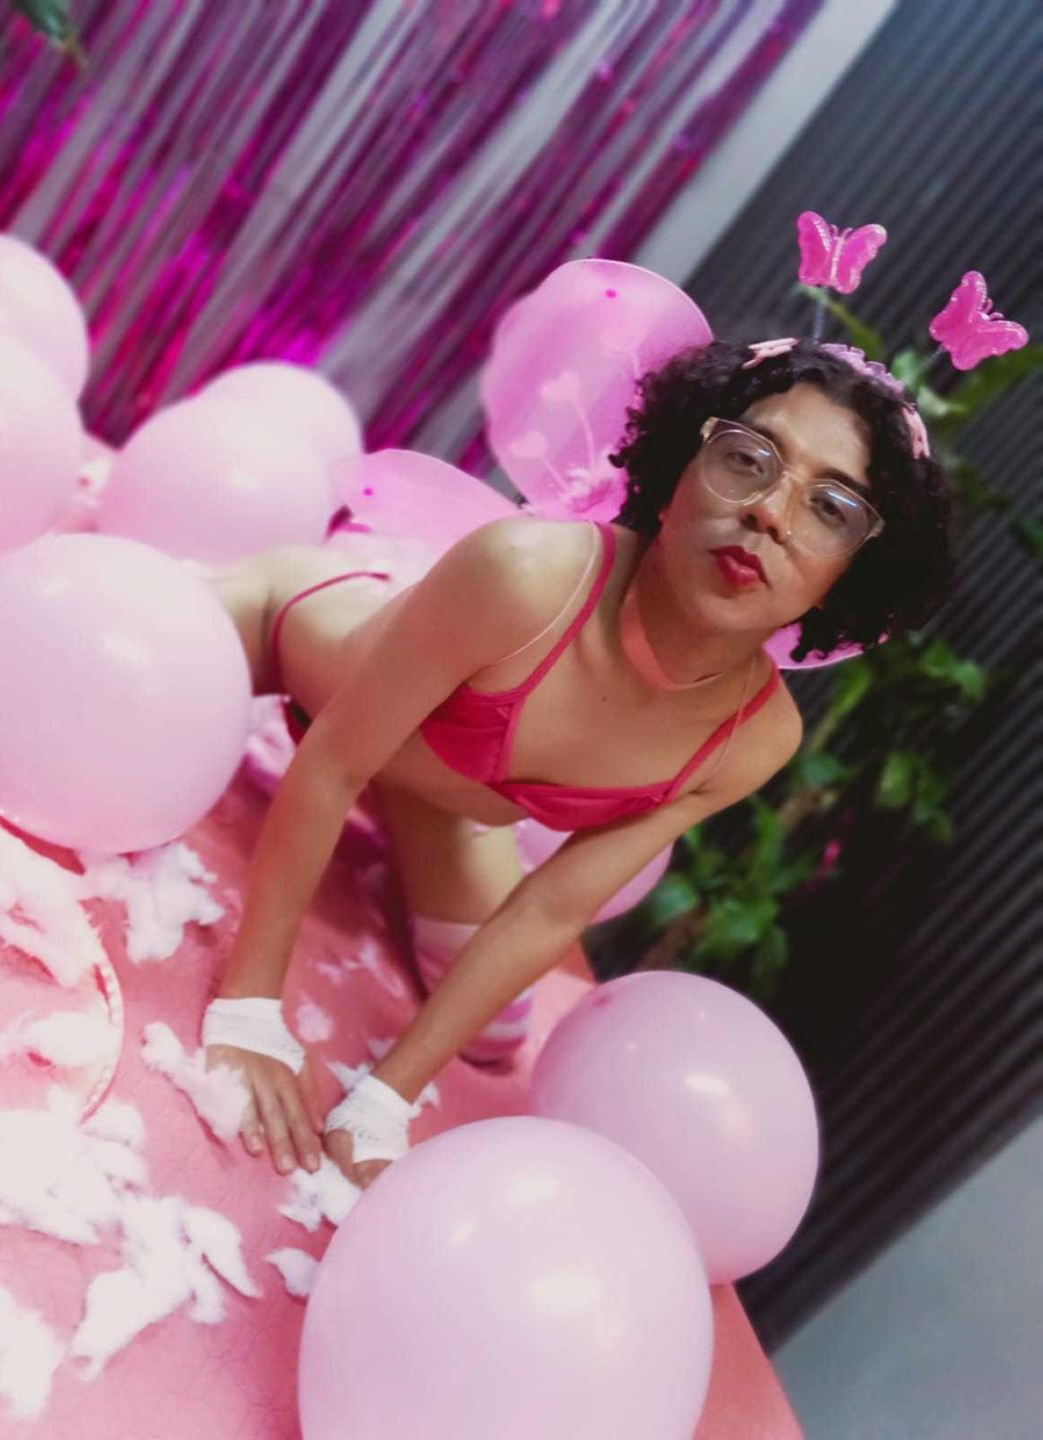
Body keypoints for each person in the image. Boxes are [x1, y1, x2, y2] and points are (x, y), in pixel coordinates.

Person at [202, 337, 954, 1189]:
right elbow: (333, 762)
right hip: (296, 637)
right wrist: (249, 1009)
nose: (771, 512)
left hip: (432, 792)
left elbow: (551, 910)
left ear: (849, 575)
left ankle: (410, 811)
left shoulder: (755, 736)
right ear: (678, 466)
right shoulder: (525, 573)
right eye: (748, 459)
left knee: (496, 1033)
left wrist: (383, 1100)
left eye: (831, 507)